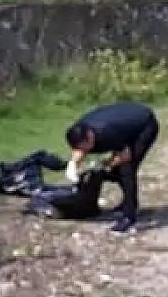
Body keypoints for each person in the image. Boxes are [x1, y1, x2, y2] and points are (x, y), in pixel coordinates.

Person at [64, 101, 160, 236]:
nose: (83, 151)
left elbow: (124, 156)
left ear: (90, 137)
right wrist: (72, 165)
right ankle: (127, 202)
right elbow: (79, 149)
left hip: (145, 125)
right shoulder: (79, 130)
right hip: (124, 121)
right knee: (114, 170)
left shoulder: (107, 133)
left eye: (84, 147)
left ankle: (129, 217)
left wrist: (105, 165)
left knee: (127, 169)